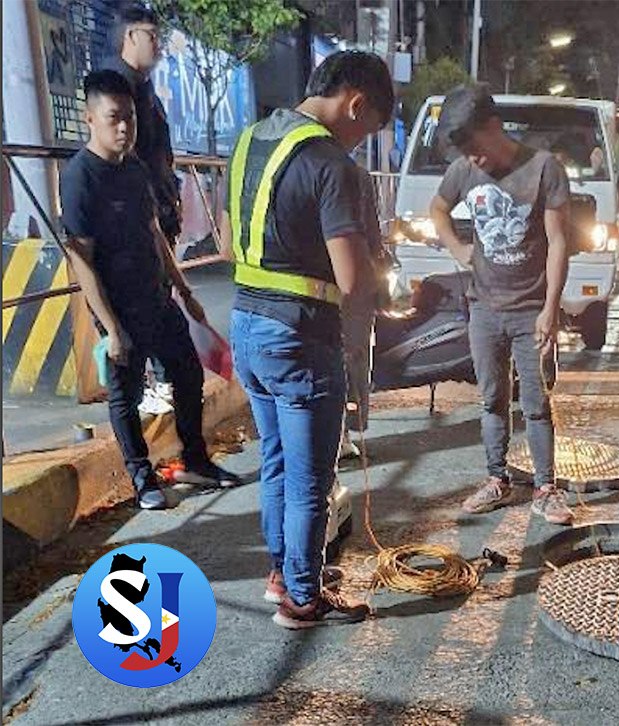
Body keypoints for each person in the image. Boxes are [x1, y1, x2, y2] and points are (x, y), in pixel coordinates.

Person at [223, 51, 394, 628]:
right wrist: (372, 304)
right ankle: (302, 596)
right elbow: (352, 280)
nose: (359, 143)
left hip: (247, 324)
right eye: (367, 130)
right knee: (310, 480)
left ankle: (282, 573)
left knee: (275, 462)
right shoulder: (329, 163)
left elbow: (227, 242)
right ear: (356, 104)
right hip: (300, 336)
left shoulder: (249, 142)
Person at [60, 70, 241, 511]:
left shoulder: (135, 168)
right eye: (114, 118)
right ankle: (143, 480)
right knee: (126, 396)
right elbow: (81, 259)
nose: (125, 127)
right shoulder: (81, 177)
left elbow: (154, 232)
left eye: (130, 117)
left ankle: (195, 461)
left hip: (158, 298)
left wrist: (184, 290)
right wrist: (111, 328)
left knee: (188, 374)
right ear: (90, 118)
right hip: (119, 306)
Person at [429, 84, 574, 526]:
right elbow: (438, 210)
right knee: (492, 399)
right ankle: (497, 479)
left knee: (536, 402)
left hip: (531, 309)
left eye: (476, 149)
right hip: (484, 308)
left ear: (494, 126)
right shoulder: (463, 170)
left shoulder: (544, 168)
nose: (474, 161)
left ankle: (546, 488)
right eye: (466, 154)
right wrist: (458, 248)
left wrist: (550, 308)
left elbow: (558, 242)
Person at [104, 4, 183, 414]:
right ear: (129, 37)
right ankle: (148, 385)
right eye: (151, 36)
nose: (158, 45)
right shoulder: (116, 87)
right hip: (136, 221)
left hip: (156, 213)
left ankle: (162, 381)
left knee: (160, 296)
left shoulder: (144, 88)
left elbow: (158, 154)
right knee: (142, 301)